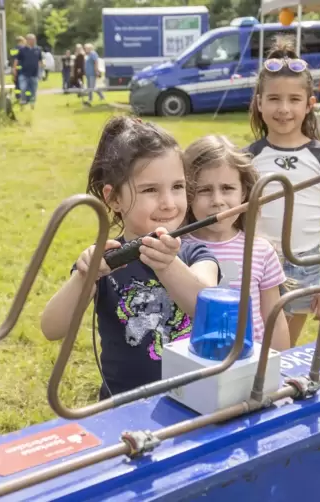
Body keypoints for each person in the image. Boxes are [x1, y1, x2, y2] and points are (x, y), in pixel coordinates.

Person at [40, 116, 220, 400]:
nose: (169, 203)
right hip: (123, 408)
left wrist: (168, 265)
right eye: (150, 190)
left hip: (193, 400)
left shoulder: (194, 253)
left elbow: (209, 310)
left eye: (177, 187)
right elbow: (51, 328)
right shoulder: (105, 259)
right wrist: (85, 277)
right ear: (114, 199)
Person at [245, 36, 320, 347]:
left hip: (304, 264)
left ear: (309, 105)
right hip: (257, 265)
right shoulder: (245, 158)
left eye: (293, 100)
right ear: (259, 103)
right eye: (274, 99)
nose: (284, 109)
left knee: (282, 350)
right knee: (255, 347)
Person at [183, 135, 290, 352]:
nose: (217, 201)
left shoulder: (260, 251)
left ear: (244, 192)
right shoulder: (176, 249)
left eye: (227, 188)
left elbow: (275, 320)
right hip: (195, 360)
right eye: (204, 190)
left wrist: (280, 366)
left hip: (251, 362)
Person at [14, 34, 43, 108]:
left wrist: (41, 72)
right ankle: (23, 101)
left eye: (34, 39)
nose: (34, 41)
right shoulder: (22, 50)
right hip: (23, 73)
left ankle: (32, 104)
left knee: (33, 90)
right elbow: (16, 60)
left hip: (34, 74)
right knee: (23, 88)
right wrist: (14, 69)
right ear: (28, 40)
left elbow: (40, 61)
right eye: (32, 40)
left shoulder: (38, 49)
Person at [10, 36, 26, 102]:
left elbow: (12, 59)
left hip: (15, 68)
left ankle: (17, 96)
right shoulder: (24, 49)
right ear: (22, 41)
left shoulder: (13, 49)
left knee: (16, 83)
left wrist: (13, 68)